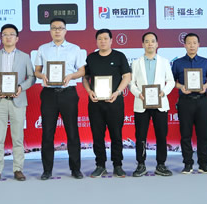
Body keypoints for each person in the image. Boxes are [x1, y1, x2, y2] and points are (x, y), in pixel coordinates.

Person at [34, 18, 86, 180]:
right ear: (50, 30)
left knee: (72, 132)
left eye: (60, 28)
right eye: (54, 28)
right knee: (47, 133)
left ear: (65, 30)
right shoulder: (42, 49)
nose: (57, 31)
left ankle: (75, 169)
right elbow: (37, 71)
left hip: (68, 93)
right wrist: (42, 75)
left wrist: (71, 76)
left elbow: (82, 71)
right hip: (49, 94)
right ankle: (47, 170)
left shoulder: (74, 49)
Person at [0, 24, 36, 182]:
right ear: (1, 38)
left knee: (18, 138)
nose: (8, 37)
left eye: (11, 34)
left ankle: (18, 169)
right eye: (5, 34)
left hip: (18, 101)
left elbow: (32, 77)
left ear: (17, 38)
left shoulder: (25, 57)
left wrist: (21, 87)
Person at [82, 29, 132, 178]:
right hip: (96, 103)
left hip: (114, 102)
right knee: (97, 135)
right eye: (100, 39)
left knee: (116, 134)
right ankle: (100, 165)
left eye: (105, 38)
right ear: (96, 41)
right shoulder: (91, 58)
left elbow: (127, 76)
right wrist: (89, 91)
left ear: (111, 40)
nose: (102, 41)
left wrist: (118, 92)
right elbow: (85, 78)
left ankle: (118, 165)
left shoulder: (119, 56)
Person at [128, 31, 174, 177]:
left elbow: (171, 81)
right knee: (140, 136)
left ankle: (161, 164)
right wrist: (138, 94)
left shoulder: (164, 62)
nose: (150, 44)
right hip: (142, 103)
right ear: (142, 44)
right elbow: (131, 83)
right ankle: (141, 164)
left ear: (157, 44)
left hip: (160, 103)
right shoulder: (136, 62)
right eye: (147, 41)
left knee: (161, 135)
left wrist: (163, 92)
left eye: (152, 41)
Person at [171, 33, 207, 174]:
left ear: (199, 45)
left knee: (203, 134)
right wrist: (181, 87)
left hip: (201, 101)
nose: (192, 46)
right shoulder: (178, 63)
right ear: (184, 45)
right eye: (189, 43)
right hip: (185, 102)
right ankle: (188, 164)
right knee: (185, 134)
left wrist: (205, 86)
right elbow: (172, 81)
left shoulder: (205, 62)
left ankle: (203, 164)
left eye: (194, 43)